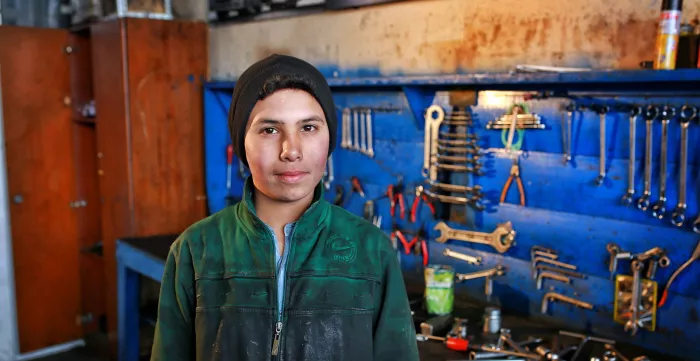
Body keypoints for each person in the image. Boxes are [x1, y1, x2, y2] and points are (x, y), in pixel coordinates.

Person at [150, 54, 419, 361]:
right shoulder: (195, 250)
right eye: (270, 130)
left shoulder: (373, 251)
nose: (291, 151)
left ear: (329, 138)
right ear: (242, 143)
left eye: (308, 127)